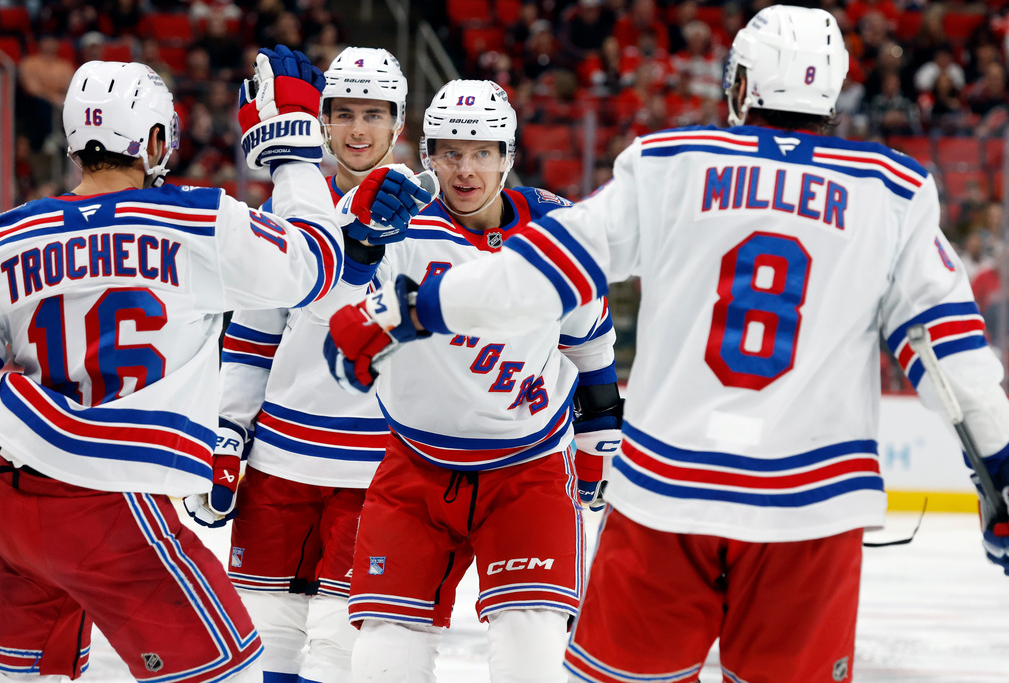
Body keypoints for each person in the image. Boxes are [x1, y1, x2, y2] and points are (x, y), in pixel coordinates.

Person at [326, 7, 1009, 682]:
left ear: (740, 84)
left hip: (666, 493)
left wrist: (411, 306)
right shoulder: (892, 189)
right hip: (812, 506)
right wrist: (1000, 468)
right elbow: (950, 353)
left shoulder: (670, 163)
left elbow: (545, 271)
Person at [0, 51, 345, 682]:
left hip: (13, 502)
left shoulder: (0, 239)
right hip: (114, 497)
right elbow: (313, 265)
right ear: (152, 139)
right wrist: (293, 150)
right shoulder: (194, 218)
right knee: (229, 669)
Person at [320, 79, 623, 683]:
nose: (465, 169)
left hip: (528, 473)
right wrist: (355, 243)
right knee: (384, 658)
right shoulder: (392, 225)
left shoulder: (557, 229)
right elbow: (335, 329)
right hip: (414, 469)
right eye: (451, 153)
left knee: (531, 655)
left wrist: (595, 457)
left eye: (482, 152)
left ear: (508, 156)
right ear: (428, 155)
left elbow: (591, 351)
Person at [205, 46, 411, 683]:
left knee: (339, 644)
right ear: (319, 120)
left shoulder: (429, 221)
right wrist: (229, 433)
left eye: (372, 114)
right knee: (268, 637)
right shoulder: (286, 214)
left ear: (398, 123)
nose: (356, 129)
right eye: (342, 112)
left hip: (376, 465)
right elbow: (252, 341)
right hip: (279, 460)